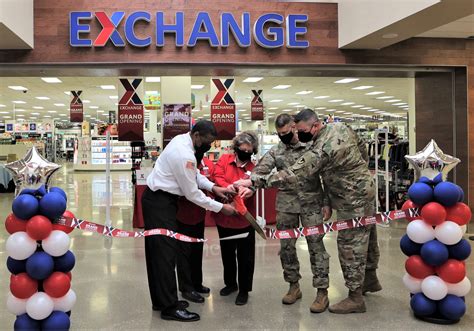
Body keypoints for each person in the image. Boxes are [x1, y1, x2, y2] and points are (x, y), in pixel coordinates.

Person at [255, 109, 380, 314]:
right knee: (367, 236)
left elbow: (298, 172)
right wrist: (360, 170)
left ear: (315, 125)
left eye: (299, 130)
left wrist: (257, 183)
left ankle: (351, 296)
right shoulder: (340, 127)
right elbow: (362, 148)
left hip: (345, 198)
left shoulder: (318, 148)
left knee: (349, 243)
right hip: (351, 192)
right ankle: (369, 280)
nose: (296, 134)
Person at [234, 114, 332, 313]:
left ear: (294, 128)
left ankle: (322, 292)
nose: (283, 137)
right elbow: (260, 172)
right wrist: (251, 187)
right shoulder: (276, 151)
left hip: (311, 203)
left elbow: (326, 176)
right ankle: (293, 286)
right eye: (279, 134)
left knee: (316, 247)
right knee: (286, 248)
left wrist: (327, 202)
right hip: (286, 205)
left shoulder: (312, 146)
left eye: (286, 133)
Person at [142, 120, 237, 322]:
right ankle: (169, 307)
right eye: (208, 141)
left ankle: (161, 300)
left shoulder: (182, 141)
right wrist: (221, 207)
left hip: (161, 201)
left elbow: (194, 176)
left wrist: (214, 188)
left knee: (159, 255)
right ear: (196, 136)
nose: (209, 146)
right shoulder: (183, 154)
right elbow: (192, 193)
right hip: (160, 203)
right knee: (165, 255)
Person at [210, 131, 258, 306]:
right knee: (227, 253)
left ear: (253, 150)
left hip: (244, 219)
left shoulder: (254, 169)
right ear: (236, 148)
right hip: (224, 217)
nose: (245, 152)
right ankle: (230, 283)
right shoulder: (224, 159)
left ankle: (244, 289)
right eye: (242, 148)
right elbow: (217, 176)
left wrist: (247, 190)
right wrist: (228, 187)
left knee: (245, 257)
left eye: (249, 150)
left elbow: (255, 185)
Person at [176, 155, 214, 304]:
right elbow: (189, 189)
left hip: (198, 214)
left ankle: (197, 282)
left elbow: (210, 183)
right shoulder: (183, 161)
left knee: (197, 250)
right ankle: (186, 287)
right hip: (182, 215)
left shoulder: (207, 163)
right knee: (183, 253)